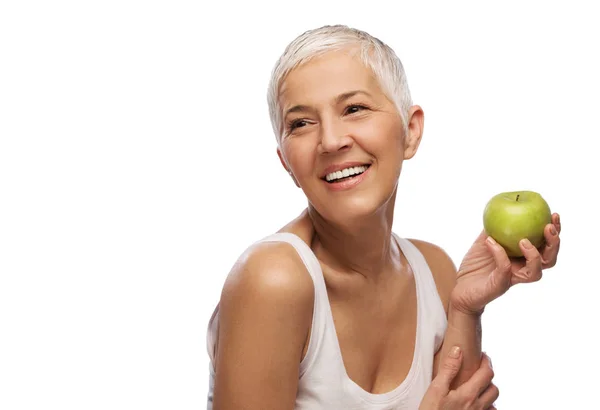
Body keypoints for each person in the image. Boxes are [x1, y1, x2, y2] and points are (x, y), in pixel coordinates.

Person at [205, 25, 561, 409]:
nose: (330, 140)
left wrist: (465, 308)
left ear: (410, 131)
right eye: (301, 123)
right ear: (286, 163)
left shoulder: (435, 271)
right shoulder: (273, 280)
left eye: (354, 109)